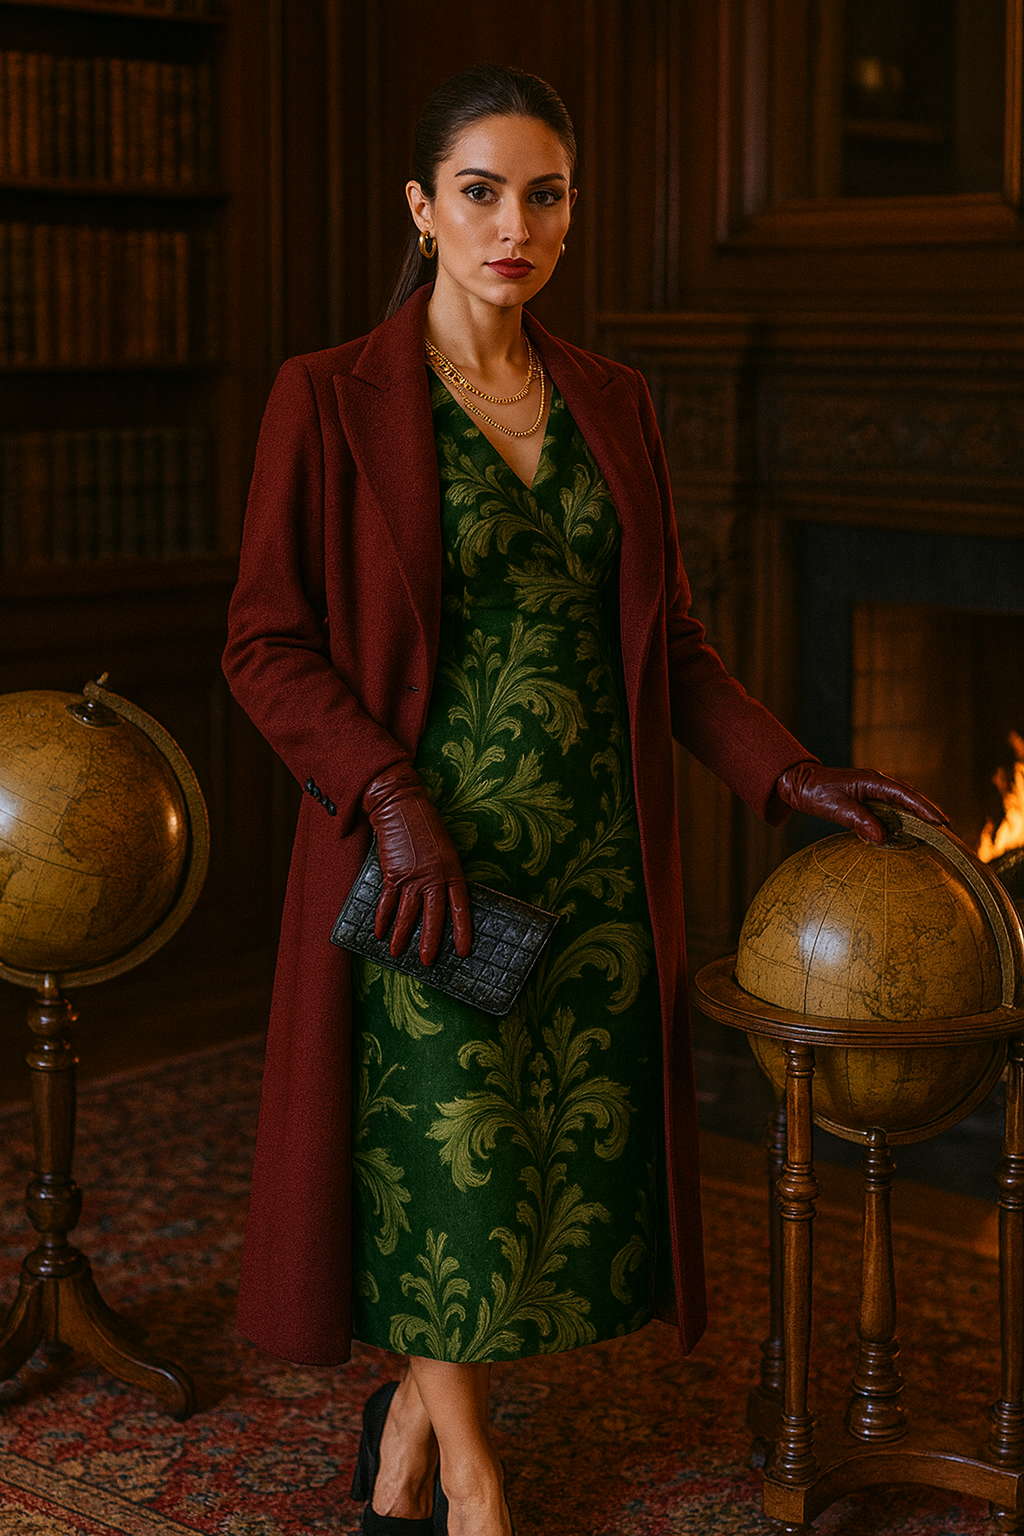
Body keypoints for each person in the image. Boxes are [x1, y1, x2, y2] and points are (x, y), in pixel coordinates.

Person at [222, 64, 945, 1536]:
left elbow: (671, 648)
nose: (515, 224)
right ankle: (475, 1483)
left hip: (598, 866)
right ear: (422, 210)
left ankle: (410, 1431)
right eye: (481, 192)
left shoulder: (615, 402)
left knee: (553, 1177)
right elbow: (263, 644)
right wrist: (388, 793)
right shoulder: (327, 397)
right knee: (440, 1165)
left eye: (544, 195)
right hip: (420, 862)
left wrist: (785, 768)